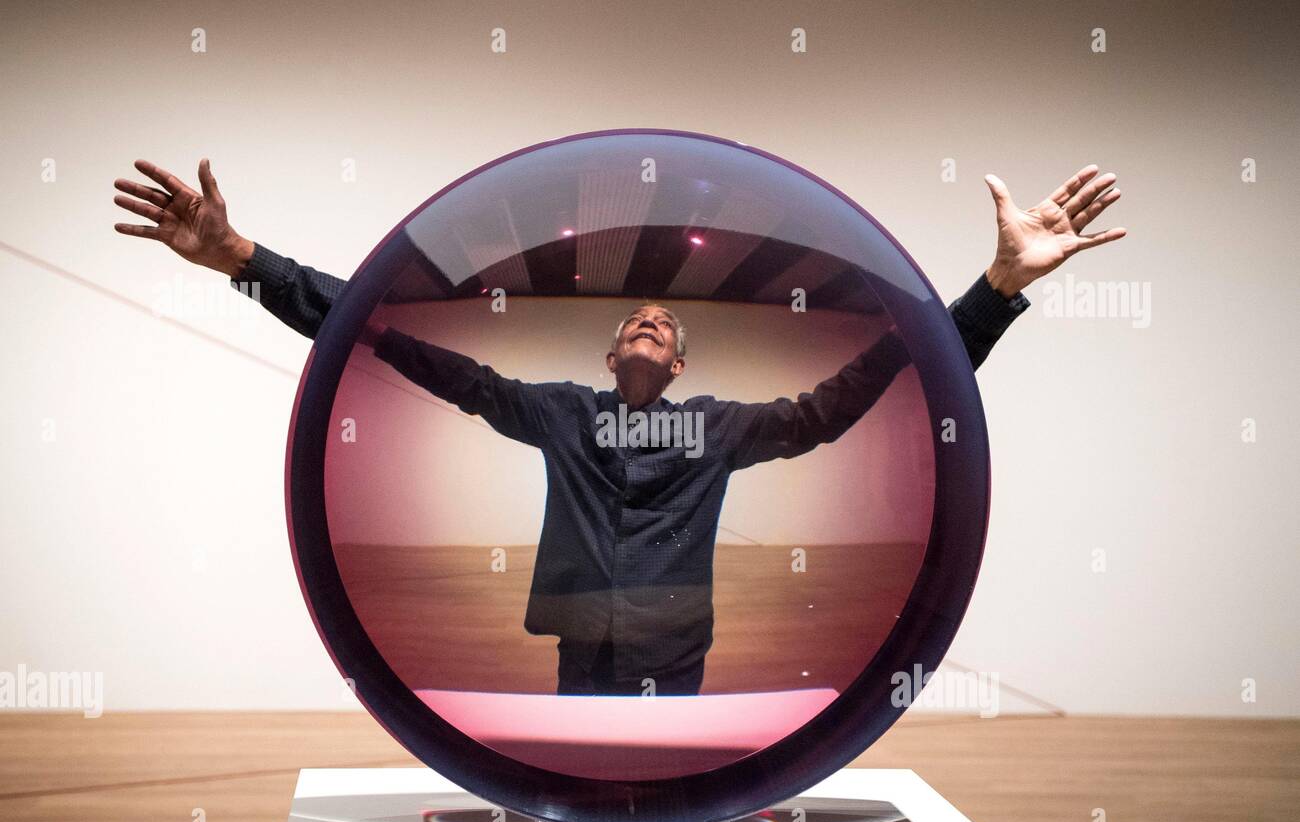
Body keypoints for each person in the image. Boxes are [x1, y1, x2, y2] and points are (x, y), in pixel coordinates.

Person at [113, 157, 1126, 696]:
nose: (648, 322)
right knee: (584, 808)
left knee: (668, 817)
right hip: (579, 643)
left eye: (665, 325)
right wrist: (247, 260)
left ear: (678, 364)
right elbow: (387, 340)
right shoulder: (557, 412)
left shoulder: (719, 426)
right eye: (632, 321)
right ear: (612, 357)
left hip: (673, 647)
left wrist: (994, 290)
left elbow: (860, 391)